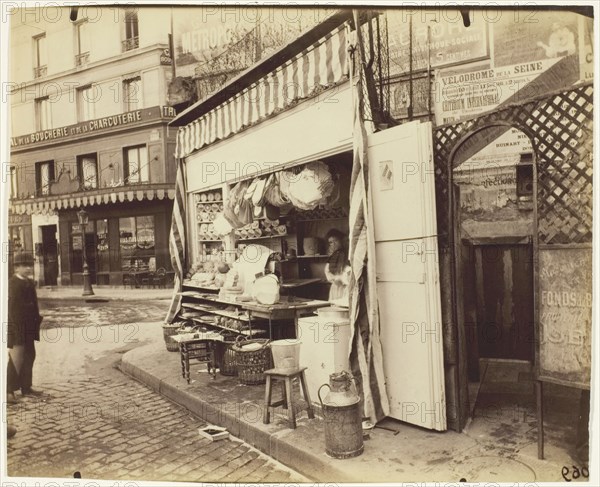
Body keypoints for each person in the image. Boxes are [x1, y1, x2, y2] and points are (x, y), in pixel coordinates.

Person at [7, 251, 43, 403]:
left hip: (29, 327)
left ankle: (26, 387)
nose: (28, 268)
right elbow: (13, 310)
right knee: (16, 359)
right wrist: (17, 331)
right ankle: (8, 391)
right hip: (18, 328)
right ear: (16, 268)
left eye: (30, 265)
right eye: (24, 266)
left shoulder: (28, 282)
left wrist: (37, 320)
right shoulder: (13, 284)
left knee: (30, 356)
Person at [324, 229, 351, 303]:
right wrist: (333, 278)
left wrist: (340, 278)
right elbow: (327, 272)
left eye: (336, 241)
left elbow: (349, 272)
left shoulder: (348, 254)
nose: (333, 244)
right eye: (331, 242)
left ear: (341, 240)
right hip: (335, 288)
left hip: (345, 288)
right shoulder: (333, 256)